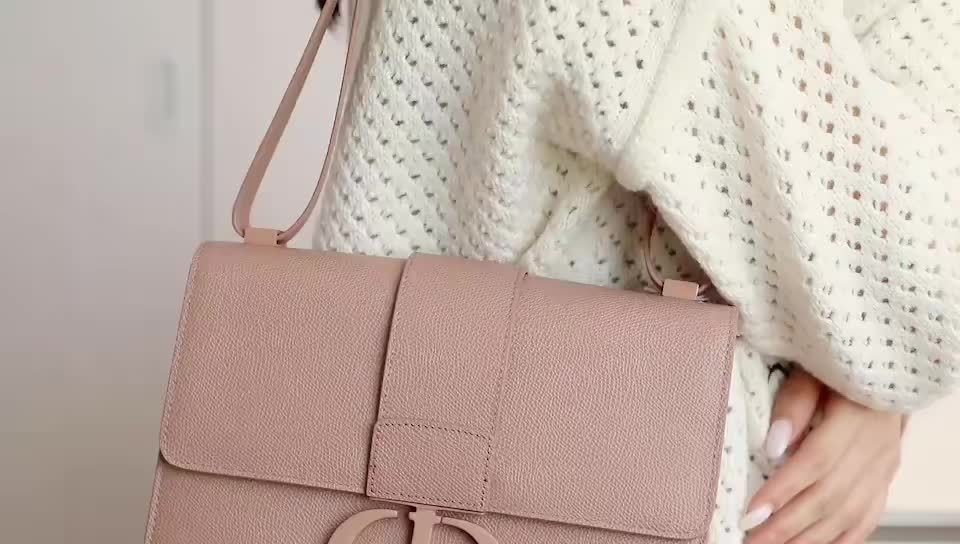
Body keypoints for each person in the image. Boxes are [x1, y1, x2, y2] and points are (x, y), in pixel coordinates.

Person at [312, 1, 959, 542]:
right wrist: (869, 372)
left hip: (379, 436)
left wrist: (871, 384)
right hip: (606, 488)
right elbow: (925, 300)